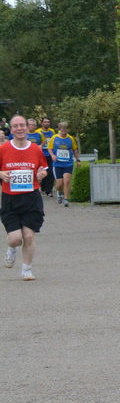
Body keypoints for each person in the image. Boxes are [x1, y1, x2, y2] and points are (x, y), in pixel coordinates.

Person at [2, 114, 52, 280]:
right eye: (15, 126)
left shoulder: (35, 149)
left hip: (31, 197)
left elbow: (44, 168)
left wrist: (42, 173)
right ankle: (12, 248)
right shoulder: (3, 149)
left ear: (27, 127)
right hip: (10, 199)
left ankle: (26, 269)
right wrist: (1, 173)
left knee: (29, 235)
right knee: (16, 239)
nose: (19, 128)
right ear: (11, 129)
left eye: (22, 125)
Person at [47, 120, 80, 207]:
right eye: (62, 130)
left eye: (65, 130)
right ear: (59, 129)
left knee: (67, 180)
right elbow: (49, 148)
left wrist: (78, 160)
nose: (64, 132)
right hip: (57, 164)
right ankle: (59, 192)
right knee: (59, 183)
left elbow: (74, 149)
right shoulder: (54, 138)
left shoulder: (71, 138)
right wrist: (52, 155)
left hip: (68, 163)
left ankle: (66, 199)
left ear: (67, 130)